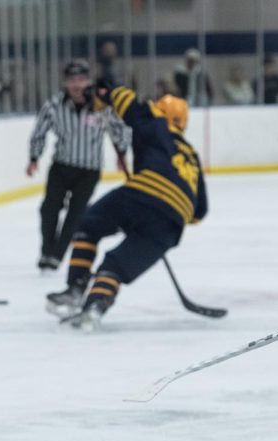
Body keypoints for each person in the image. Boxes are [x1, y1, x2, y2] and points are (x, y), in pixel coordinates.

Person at [46, 85, 208, 330]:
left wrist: (104, 91)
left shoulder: (156, 124)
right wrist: (163, 213)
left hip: (141, 195)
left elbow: (129, 103)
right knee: (115, 265)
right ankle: (94, 308)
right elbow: (199, 211)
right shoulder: (192, 155)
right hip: (172, 220)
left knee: (88, 225)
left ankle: (75, 289)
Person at [26, 60, 130, 271]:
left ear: (88, 81)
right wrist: (34, 158)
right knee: (49, 209)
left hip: (89, 170)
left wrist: (122, 153)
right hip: (61, 166)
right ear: (65, 82)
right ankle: (47, 250)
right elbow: (39, 131)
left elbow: (118, 129)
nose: (76, 85)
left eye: (81, 80)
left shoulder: (101, 107)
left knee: (76, 213)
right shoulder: (54, 105)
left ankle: (57, 255)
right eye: (72, 80)